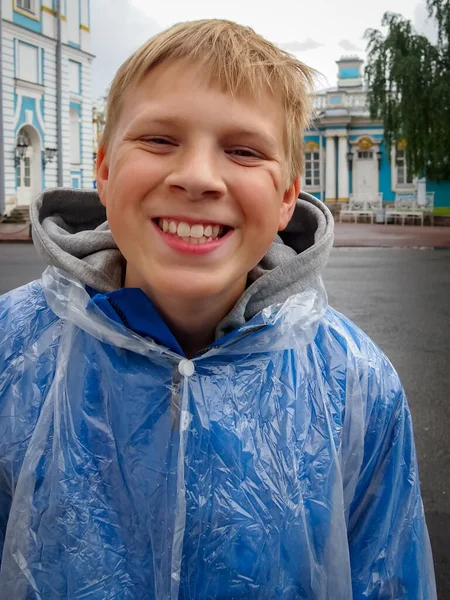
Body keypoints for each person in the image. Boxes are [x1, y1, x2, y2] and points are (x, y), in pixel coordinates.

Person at [0, 19, 436, 600]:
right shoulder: (13, 353)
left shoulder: (356, 386)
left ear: (287, 197)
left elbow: (391, 578)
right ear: (103, 170)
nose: (199, 178)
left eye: (243, 150)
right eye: (159, 140)